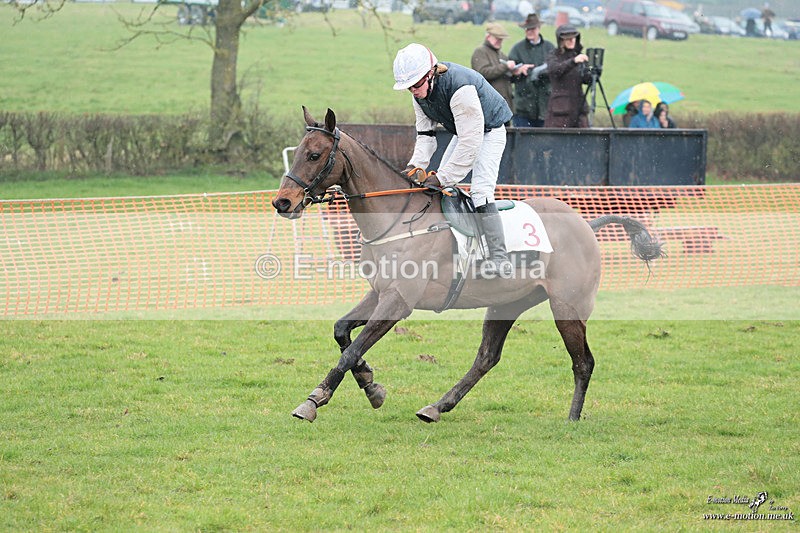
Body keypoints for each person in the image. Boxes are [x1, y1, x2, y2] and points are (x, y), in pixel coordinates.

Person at [393, 43, 514, 277]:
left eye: (416, 85)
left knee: (481, 192)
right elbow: (426, 136)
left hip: (490, 131)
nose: (413, 91)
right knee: (440, 186)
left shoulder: (461, 89)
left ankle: (500, 258)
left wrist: (441, 178)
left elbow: (471, 144)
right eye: (408, 87)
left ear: (431, 73)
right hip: (465, 131)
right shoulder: (418, 94)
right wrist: (415, 167)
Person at [508, 13, 555, 128]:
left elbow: (556, 70)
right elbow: (509, 74)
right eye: (527, 29)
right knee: (522, 144)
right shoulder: (517, 49)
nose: (529, 31)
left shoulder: (549, 47)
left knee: (544, 144)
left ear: (539, 28)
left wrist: (543, 72)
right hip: (523, 107)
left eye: (532, 28)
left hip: (545, 105)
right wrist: (517, 71)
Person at [471, 22, 526, 116]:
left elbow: (506, 78)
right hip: (489, 107)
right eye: (497, 38)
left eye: (501, 39)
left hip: (504, 106)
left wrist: (516, 73)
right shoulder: (480, 52)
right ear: (488, 37)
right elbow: (482, 73)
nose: (500, 41)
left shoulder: (502, 55)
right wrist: (505, 66)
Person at [543, 24, 593, 128]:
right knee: (559, 140)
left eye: (573, 38)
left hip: (579, 108)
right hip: (560, 110)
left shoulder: (578, 55)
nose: (571, 41)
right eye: (568, 39)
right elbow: (555, 70)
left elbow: (586, 80)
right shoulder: (554, 55)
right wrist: (573, 61)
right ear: (561, 41)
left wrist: (592, 71)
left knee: (584, 141)